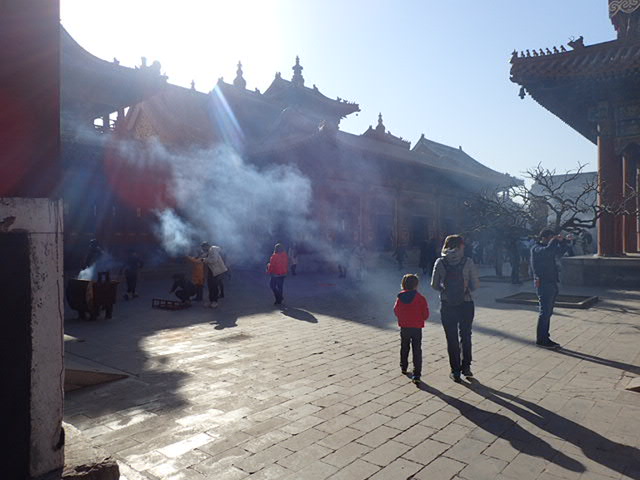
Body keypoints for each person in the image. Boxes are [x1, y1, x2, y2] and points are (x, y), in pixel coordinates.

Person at [431, 234, 479, 383]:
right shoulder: (468, 261)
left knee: (451, 338)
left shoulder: (440, 262)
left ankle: (455, 371)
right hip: (466, 303)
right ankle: (466, 367)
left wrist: (445, 291)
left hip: (447, 304)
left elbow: (434, 285)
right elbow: (475, 285)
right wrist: (464, 290)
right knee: (466, 335)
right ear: (461, 246)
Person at [530, 229, 570, 349]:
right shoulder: (536, 248)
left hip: (551, 282)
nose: (552, 240)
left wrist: (563, 242)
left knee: (548, 312)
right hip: (543, 283)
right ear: (544, 238)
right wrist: (554, 240)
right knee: (545, 312)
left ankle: (545, 337)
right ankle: (541, 339)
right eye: (550, 238)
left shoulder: (547, 248)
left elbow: (560, 251)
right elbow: (548, 251)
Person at [394, 273, 430, 385]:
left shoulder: (400, 297)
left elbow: (396, 311)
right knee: (417, 349)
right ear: (416, 285)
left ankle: (403, 366)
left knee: (404, 346)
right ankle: (416, 374)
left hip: (404, 326)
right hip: (417, 327)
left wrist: (403, 318)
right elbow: (425, 314)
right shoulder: (421, 298)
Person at [202, 241, 228, 308]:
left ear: (206, 246)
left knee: (214, 287)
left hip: (217, 272)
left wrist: (205, 260)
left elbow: (214, 260)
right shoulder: (209, 251)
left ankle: (215, 302)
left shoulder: (213, 249)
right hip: (212, 271)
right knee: (210, 286)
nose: (203, 249)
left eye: (203, 247)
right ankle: (211, 301)